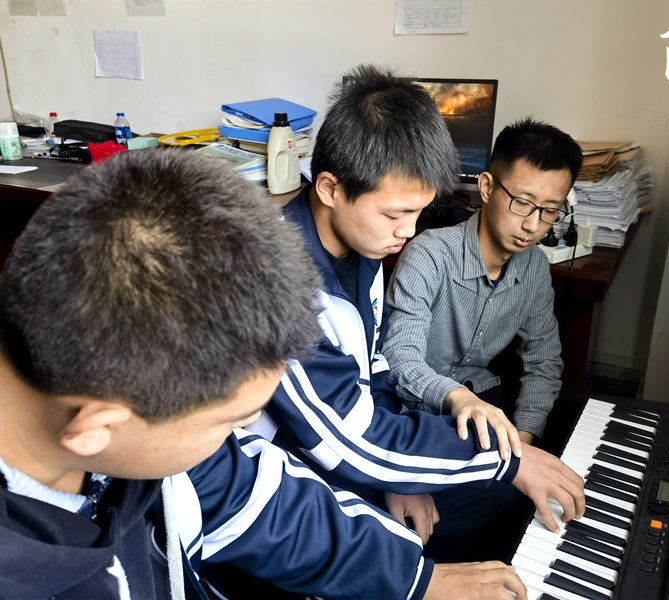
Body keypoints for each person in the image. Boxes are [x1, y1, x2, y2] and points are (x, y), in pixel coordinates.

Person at [0, 149, 529, 600]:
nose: (245, 431)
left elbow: (253, 496)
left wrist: (418, 580)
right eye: (227, 422)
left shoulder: (140, 435)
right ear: (96, 429)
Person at [256, 65, 584, 563]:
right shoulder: (282, 282)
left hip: (350, 441)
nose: (408, 232)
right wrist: (505, 463)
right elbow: (342, 439)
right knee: (508, 501)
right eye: (395, 214)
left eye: (418, 213)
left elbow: (375, 367)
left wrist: (400, 478)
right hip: (289, 477)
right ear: (329, 188)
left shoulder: (363, 248)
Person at [383, 117, 583, 452]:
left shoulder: (534, 266)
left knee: (574, 420)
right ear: (487, 187)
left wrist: (523, 443)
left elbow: (543, 363)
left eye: (550, 211)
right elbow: (400, 357)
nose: (533, 225)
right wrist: (459, 398)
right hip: (414, 406)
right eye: (522, 203)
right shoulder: (430, 254)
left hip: (481, 393)